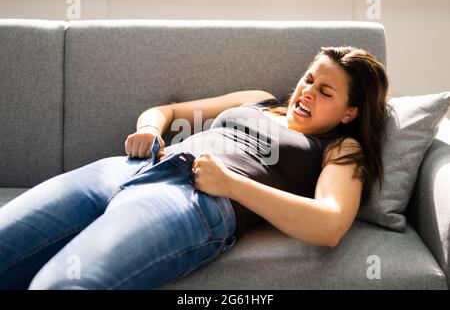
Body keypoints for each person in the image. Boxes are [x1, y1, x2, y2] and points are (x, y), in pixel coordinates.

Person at [0, 46, 389, 290]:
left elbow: (329, 225)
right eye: (309, 79)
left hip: (191, 199)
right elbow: (167, 111)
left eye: (326, 92)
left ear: (349, 112)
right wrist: (149, 129)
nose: (307, 91)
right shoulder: (259, 100)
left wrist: (232, 185)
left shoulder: (340, 148)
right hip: (125, 168)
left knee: (61, 283)